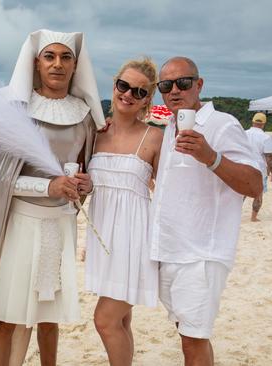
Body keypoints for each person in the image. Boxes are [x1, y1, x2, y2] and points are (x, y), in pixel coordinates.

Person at [0, 29, 106, 366]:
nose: (57, 64)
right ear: (36, 63)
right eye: (49, 56)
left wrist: (84, 185)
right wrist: (47, 187)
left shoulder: (84, 114)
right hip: (20, 224)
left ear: (75, 65)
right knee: (8, 316)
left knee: (49, 318)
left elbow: (84, 169)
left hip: (61, 224)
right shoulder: (18, 109)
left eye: (65, 57)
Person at [150, 56, 262, 366]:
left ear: (199, 85)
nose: (175, 90)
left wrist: (210, 156)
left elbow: (255, 184)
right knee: (186, 331)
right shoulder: (169, 125)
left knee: (193, 340)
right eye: (166, 85)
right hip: (168, 250)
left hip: (201, 253)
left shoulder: (221, 124)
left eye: (183, 83)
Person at [84, 57, 163, 365]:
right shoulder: (93, 133)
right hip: (104, 242)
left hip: (135, 243)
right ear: (114, 85)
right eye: (123, 86)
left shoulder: (154, 137)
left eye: (139, 92)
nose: (129, 94)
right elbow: (87, 185)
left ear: (148, 99)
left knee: (104, 320)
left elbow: (169, 193)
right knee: (121, 322)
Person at [245, 112, 272, 221]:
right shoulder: (266, 138)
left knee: (241, 193)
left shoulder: (243, 134)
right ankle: (253, 217)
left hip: (243, 167)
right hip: (258, 170)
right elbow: (268, 157)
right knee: (258, 194)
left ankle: (234, 215)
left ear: (253, 122)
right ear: (263, 124)